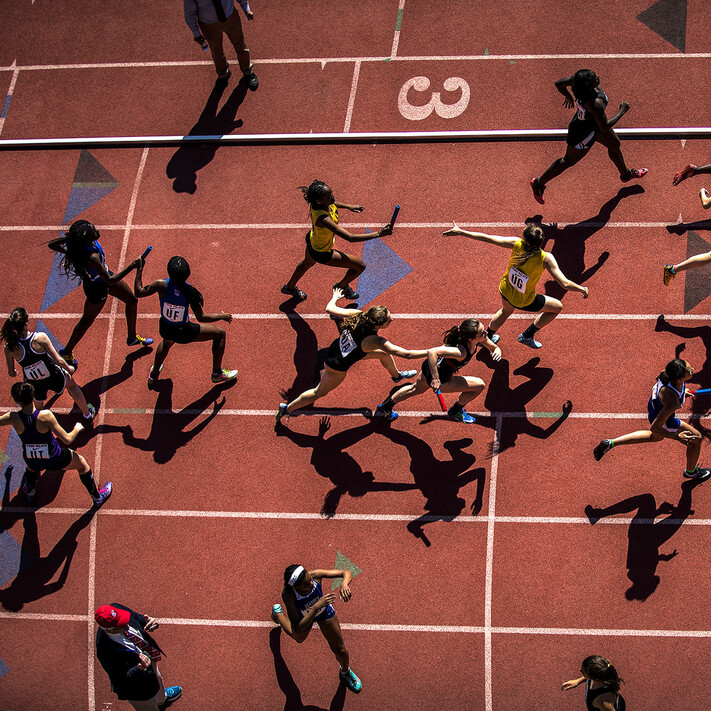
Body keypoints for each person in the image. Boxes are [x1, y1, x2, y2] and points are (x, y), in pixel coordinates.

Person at [276, 287, 424, 421]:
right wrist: (431, 352)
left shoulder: (359, 315)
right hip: (336, 366)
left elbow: (329, 309)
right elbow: (407, 355)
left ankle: (396, 376)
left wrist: (335, 297)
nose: (392, 319)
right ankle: (287, 409)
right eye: (389, 320)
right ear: (378, 325)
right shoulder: (374, 340)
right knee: (318, 392)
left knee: (383, 355)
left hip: (338, 351)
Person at [443, 222, 589, 349]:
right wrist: (581, 288)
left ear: (524, 238)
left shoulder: (517, 244)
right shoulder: (546, 258)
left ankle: (488, 337)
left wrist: (461, 232)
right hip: (524, 300)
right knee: (557, 307)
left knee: (506, 311)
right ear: (541, 241)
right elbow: (564, 283)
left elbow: (488, 238)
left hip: (505, 289)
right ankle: (527, 335)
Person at [530, 69, 647, 204]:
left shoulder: (577, 80)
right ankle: (538, 183)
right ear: (589, 86)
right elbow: (604, 126)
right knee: (567, 161)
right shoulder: (594, 104)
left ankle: (625, 175)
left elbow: (559, 84)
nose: (597, 77)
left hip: (593, 124)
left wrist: (567, 96)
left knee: (614, 144)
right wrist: (622, 111)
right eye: (594, 79)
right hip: (583, 133)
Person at [47, 220, 153, 368]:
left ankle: (132, 338)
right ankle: (66, 351)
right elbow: (110, 281)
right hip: (97, 288)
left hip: (103, 276)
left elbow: (52, 245)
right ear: (86, 238)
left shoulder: (81, 244)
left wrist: (71, 247)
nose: (97, 232)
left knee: (132, 300)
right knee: (86, 321)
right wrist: (133, 266)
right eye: (93, 232)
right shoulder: (92, 258)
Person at [593, 358, 711, 480]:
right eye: (689, 370)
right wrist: (676, 436)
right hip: (665, 420)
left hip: (654, 408)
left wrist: (682, 392)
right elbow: (655, 426)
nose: (692, 370)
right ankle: (691, 472)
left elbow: (670, 390)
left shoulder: (667, 374)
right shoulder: (673, 402)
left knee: (654, 437)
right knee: (696, 438)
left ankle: (611, 443)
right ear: (680, 379)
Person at [0, 382, 112, 506]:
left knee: (31, 466)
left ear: (17, 400)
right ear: (33, 396)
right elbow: (67, 440)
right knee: (82, 465)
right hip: (55, 459)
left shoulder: (12, 417)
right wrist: (77, 428)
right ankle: (97, 498)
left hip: (31, 458)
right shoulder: (45, 416)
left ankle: (30, 491)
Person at [281, 180, 393, 302]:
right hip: (321, 252)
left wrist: (348, 206)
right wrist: (378, 234)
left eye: (331, 193)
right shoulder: (323, 219)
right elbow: (350, 238)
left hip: (312, 240)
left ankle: (289, 288)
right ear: (319, 200)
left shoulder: (318, 204)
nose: (332, 197)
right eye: (328, 196)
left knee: (306, 263)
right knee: (359, 266)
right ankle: (341, 286)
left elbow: (332, 204)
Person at [134, 255, 238, 386]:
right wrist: (221, 316)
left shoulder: (161, 285)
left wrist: (139, 268)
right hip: (184, 331)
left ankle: (154, 374)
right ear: (187, 274)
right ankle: (217, 373)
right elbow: (201, 317)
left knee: (166, 342)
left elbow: (139, 292)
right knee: (220, 334)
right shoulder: (190, 292)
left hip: (165, 328)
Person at [376, 318, 501, 423]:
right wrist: (436, 380)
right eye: (481, 333)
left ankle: (386, 406)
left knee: (414, 389)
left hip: (429, 368)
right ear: (471, 339)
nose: (485, 333)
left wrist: (496, 351)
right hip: (441, 379)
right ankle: (456, 410)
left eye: (484, 330)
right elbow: (432, 352)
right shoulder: (460, 352)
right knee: (479, 385)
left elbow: (494, 348)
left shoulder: (474, 338)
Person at [270, 564, 362, 693]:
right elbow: (298, 627)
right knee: (298, 638)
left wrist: (345, 584)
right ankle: (278, 615)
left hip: (324, 611)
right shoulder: (288, 594)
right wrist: (315, 607)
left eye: (310, 579)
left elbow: (346, 572)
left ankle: (345, 671)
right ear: (296, 587)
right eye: (307, 584)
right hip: (305, 617)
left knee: (340, 650)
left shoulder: (315, 575)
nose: (312, 584)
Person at [2, 307, 96, 421]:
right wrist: (69, 368)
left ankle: (44, 425)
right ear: (26, 323)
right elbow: (58, 360)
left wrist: (14, 371)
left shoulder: (9, 348)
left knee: (39, 407)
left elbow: (11, 373)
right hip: (52, 374)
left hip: (33, 382)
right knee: (72, 386)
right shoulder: (40, 338)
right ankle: (87, 414)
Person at [95, 603, 182, 711]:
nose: (127, 625)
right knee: (148, 706)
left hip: (148, 662)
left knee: (158, 679)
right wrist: (140, 669)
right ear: (110, 630)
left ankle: (161, 699)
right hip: (138, 688)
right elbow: (120, 680)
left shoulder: (115, 608)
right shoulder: (105, 651)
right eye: (122, 625)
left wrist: (146, 621)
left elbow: (134, 616)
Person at [183, 0, 259, 88]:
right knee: (216, 51)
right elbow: (189, 13)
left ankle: (248, 71)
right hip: (209, 25)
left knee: (240, 44)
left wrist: (246, 9)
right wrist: (196, 34)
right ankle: (223, 74)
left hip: (230, 17)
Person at [561, 655, 626, 710]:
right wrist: (578, 681)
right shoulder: (604, 667)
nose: (579, 670)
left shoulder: (601, 701)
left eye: (583, 672)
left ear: (593, 677)